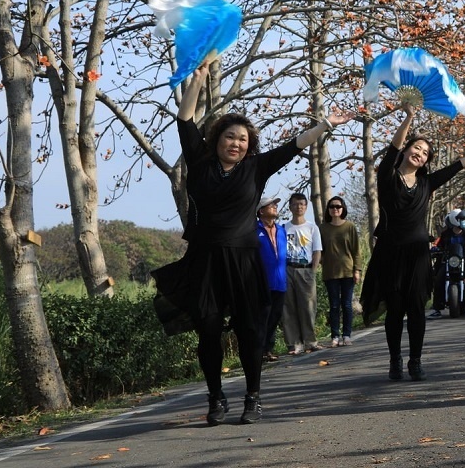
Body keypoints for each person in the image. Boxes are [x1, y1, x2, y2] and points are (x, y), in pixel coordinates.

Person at [150, 61, 353, 426]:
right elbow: (184, 122)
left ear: (249, 146)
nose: (237, 143)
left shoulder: (256, 168)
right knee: (208, 330)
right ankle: (215, 398)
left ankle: (253, 397)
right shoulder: (199, 162)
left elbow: (295, 144)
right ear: (218, 139)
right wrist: (196, 81)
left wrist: (325, 126)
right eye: (231, 137)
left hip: (244, 261)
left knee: (249, 331)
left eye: (243, 139)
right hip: (205, 259)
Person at [359, 104, 465, 381]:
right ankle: (395, 359)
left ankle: (415, 361)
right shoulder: (388, 176)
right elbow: (393, 148)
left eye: (424, 154)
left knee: (417, 309)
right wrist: (409, 117)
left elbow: (454, 168)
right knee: (395, 310)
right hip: (390, 253)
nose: (419, 154)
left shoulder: (426, 183)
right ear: (408, 150)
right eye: (416, 149)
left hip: (418, 254)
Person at [282, 192, 323, 354]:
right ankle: (294, 343)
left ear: (306, 207)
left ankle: (310, 341)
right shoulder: (283, 228)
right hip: (287, 269)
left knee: (308, 306)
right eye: (295, 204)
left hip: (305, 269)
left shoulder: (312, 227)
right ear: (290, 207)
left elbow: (317, 251)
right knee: (288, 307)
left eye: (302, 204)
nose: (299, 207)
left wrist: (313, 270)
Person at [319, 194, 361, 346]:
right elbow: (319, 250)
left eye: (338, 206)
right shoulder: (322, 228)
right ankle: (335, 336)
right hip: (330, 272)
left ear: (343, 209)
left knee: (347, 304)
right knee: (334, 305)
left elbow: (356, 250)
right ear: (328, 210)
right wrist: (321, 261)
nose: (335, 209)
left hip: (348, 271)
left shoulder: (349, 226)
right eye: (332, 206)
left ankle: (347, 335)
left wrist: (357, 270)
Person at [429, 209, 465, 316]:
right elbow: (440, 245)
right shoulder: (446, 234)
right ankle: (437, 308)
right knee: (439, 279)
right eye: (462, 219)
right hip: (449, 263)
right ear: (455, 220)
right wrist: (436, 249)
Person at [255, 197, 287, 363]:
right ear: (261, 211)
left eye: (276, 204)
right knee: (262, 318)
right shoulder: (254, 229)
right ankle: (258, 351)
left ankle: (268, 349)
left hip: (280, 282)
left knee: (275, 316)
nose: (275, 207)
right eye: (271, 205)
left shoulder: (281, 230)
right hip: (262, 282)